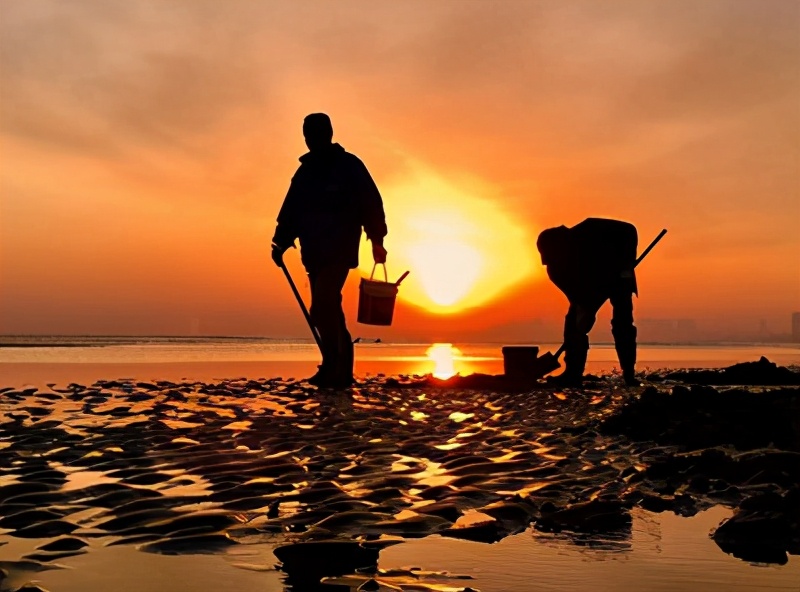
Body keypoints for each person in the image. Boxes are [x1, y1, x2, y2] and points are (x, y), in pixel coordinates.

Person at [271, 113, 387, 388]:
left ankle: (335, 367)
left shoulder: (349, 166)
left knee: (323, 304)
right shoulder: (305, 172)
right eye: (307, 133)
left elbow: (370, 203)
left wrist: (377, 240)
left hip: (340, 248)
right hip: (313, 251)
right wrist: (280, 241)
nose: (310, 138)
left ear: (329, 133)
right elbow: (291, 210)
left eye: (315, 132)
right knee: (327, 308)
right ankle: (338, 369)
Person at [537, 218, 639, 387]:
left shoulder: (592, 229)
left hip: (619, 276)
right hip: (589, 286)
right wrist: (584, 310)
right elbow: (576, 297)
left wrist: (627, 261)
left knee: (623, 324)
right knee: (573, 323)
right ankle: (573, 373)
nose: (551, 261)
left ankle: (629, 374)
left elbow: (629, 229)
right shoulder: (556, 269)